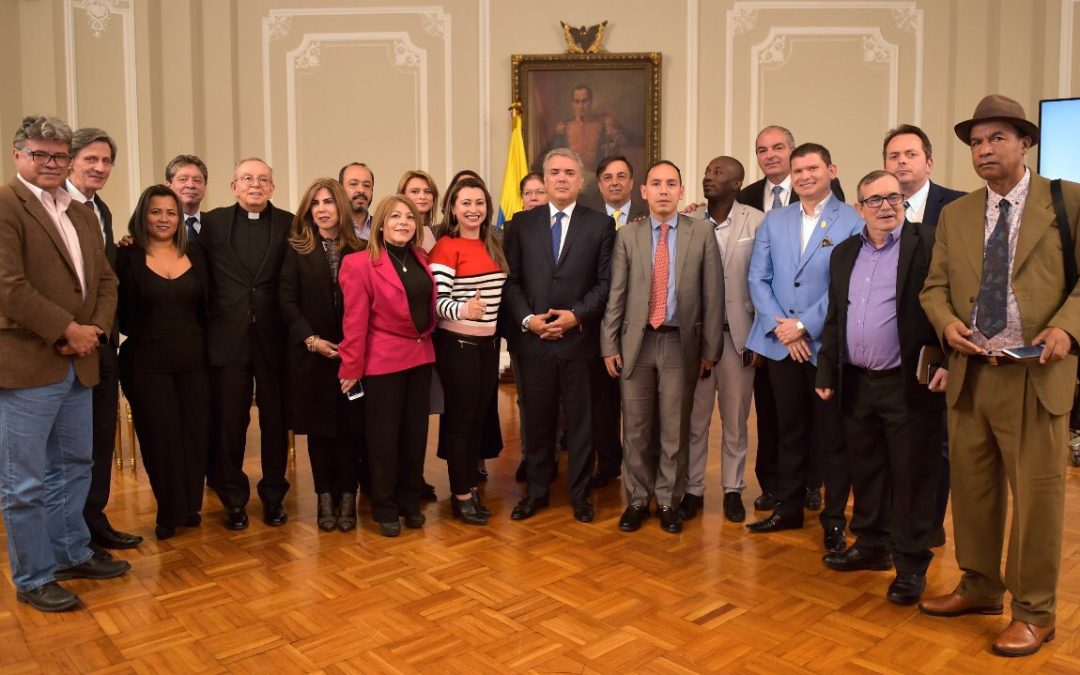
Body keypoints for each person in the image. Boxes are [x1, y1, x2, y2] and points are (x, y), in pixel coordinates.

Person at [919, 94, 1080, 657]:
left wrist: (1067, 327)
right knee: (973, 490)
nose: (984, 150)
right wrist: (946, 324)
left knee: (1036, 498)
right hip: (971, 373)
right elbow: (934, 287)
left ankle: (1036, 612)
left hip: (1037, 376)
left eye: (997, 138)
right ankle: (981, 586)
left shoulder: (1067, 201)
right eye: (977, 142)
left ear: (1025, 142)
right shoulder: (958, 214)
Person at [0, 115, 129, 612]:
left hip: (82, 360)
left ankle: (71, 550)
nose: (51, 164)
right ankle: (33, 577)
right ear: (18, 156)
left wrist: (93, 328)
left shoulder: (78, 213)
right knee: (25, 480)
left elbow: (106, 282)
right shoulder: (7, 206)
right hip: (29, 364)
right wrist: (67, 329)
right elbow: (9, 287)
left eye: (58, 156)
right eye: (40, 155)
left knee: (75, 464)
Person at [814, 170, 946, 606]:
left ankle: (910, 565)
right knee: (866, 467)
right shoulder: (845, 252)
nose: (886, 206)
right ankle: (871, 546)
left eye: (894, 197)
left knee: (911, 475)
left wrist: (944, 359)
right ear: (859, 207)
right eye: (875, 200)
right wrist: (826, 371)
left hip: (908, 383)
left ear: (904, 201)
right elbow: (836, 315)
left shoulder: (927, 244)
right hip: (856, 381)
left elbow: (947, 305)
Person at [744, 143, 861, 553]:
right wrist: (782, 329)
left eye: (813, 168)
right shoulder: (775, 220)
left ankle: (833, 521)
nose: (805, 176)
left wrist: (802, 327)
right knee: (787, 431)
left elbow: (844, 285)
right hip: (779, 346)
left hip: (822, 346)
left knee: (830, 436)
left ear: (831, 169)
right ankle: (788, 508)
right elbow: (758, 278)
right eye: (798, 170)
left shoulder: (851, 220)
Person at [601, 160, 723, 534]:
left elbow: (713, 296)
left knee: (674, 428)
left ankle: (669, 499)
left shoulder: (700, 233)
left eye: (672, 183)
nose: (664, 190)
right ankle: (637, 499)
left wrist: (710, 349)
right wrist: (609, 345)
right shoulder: (629, 236)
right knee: (635, 429)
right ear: (644, 191)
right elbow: (616, 295)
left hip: (678, 344)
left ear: (682, 191)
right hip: (636, 345)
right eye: (657, 183)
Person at [503, 147, 615, 523]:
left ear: (580, 181)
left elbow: (605, 283)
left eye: (569, 172)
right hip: (534, 342)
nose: (562, 178)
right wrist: (528, 321)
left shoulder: (600, 225)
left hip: (579, 342)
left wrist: (576, 316)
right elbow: (512, 282)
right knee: (536, 422)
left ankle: (580, 494)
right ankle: (536, 492)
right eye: (554, 172)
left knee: (582, 424)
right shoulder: (520, 223)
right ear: (544, 179)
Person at [881, 124, 966, 547]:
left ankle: (929, 527)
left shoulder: (958, 208)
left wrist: (951, 349)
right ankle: (895, 522)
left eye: (910, 155)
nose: (901, 162)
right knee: (892, 441)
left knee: (938, 443)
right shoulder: (875, 208)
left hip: (938, 345)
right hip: (884, 349)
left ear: (928, 162)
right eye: (894, 156)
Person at [201, 157, 294, 530]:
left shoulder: (289, 224)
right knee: (230, 423)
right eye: (247, 179)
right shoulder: (212, 224)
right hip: (229, 339)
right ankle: (233, 499)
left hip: (274, 340)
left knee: (275, 422)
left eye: (263, 180)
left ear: (272, 187)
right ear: (233, 185)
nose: (255, 185)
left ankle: (274, 497)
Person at [115, 185, 211, 540]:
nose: (164, 219)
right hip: (145, 363)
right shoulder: (125, 256)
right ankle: (168, 510)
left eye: (171, 213)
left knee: (194, 435)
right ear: (143, 215)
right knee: (160, 437)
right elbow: (117, 311)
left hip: (195, 360)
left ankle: (189, 505)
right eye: (156, 212)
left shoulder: (197, 253)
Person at [65, 127, 144, 552]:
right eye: (91, 159)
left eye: (106, 161)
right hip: (64, 345)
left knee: (99, 438)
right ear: (71, 160)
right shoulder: (54, 209)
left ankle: (92, 520)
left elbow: (105, 275)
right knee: (68, 447)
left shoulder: (103, 210)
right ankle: (70, 533)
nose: (99, 167)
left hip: (103, 343)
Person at [339, 195, 437, 537]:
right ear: (380, 223)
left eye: (409, 217)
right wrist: (351, 368)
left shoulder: (419, 257)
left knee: (415, 436)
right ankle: (384, 506)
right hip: (382, 363)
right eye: (394, 216)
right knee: (384, 440)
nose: (403, 222)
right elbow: (354, 322)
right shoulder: (358, 263)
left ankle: (410, 502)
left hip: (421, 358)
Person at [279, 178, 366, 532]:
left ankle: (349, 498)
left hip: (352, 354)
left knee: (350, 431)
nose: (322, 209)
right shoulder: (297, 249)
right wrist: (311, 340)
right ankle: (324, 500)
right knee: (320, 434)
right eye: (315, 203)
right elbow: (286, 301)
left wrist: (353, 347)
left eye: (329, 202)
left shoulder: (361, 249)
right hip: (312, 356)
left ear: (341, 207)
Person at [684, 156, 765, 523]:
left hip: (739, 340)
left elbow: (766, 281)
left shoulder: (758, 221)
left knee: (735, 422)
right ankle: (693, 489)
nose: (708, 177)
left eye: (718, 173)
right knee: (695, 422)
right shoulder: (689, 221)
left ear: (737, 183)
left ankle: (733, 490)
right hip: (698, 342)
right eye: (707, 171)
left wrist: (759, 340)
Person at [429, 177, 508, 525]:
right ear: (453, 208)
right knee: (461, 421)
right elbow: (437, 302)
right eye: (466, 203)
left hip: (488, 345)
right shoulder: (446, 247)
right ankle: (460, 495)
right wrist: (464, 310)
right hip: (458, 345)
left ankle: (470, 487)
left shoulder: (494, 245)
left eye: (479, 203)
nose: (473, 209)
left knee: (478, 418)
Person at [165, 154, 209, 242]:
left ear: (205, 187)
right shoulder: (160, 226)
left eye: (197, 180)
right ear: (168, 187)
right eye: (183, 179)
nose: (191, 185)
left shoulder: (216, 225)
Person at [396, 170, 439, 251]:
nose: (422, 196)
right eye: (415, 191)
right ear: (402, 195)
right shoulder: (396, 230)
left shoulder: (434, 232)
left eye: (428, 192)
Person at [339, 162, 374, 240]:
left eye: (366, 185)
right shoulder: (331, 229)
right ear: (340, 189)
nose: (361, 190)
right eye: (353, 184)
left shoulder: (382, 229)